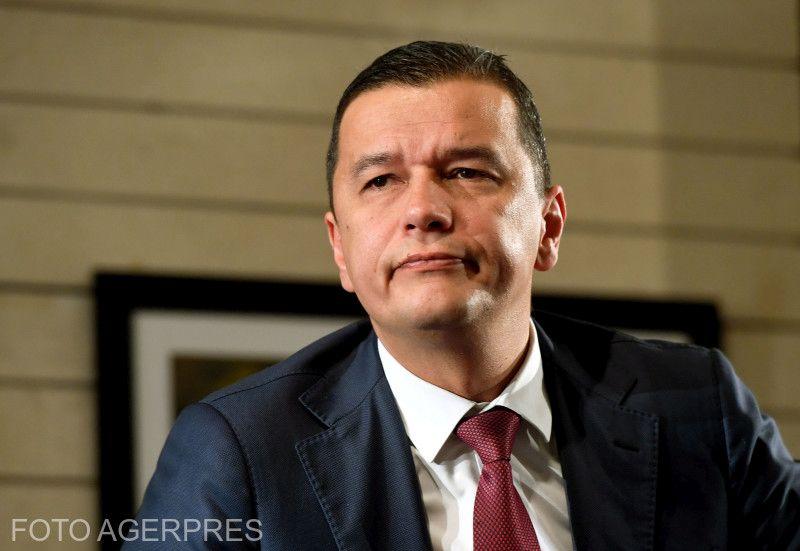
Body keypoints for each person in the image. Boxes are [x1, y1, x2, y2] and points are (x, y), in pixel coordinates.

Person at [126, 41, 799, 550]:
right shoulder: (239, 451)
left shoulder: (695, 405)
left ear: (548, 226)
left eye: (467, 171)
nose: (423, 210)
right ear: (340, 248)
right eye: (381, 181)